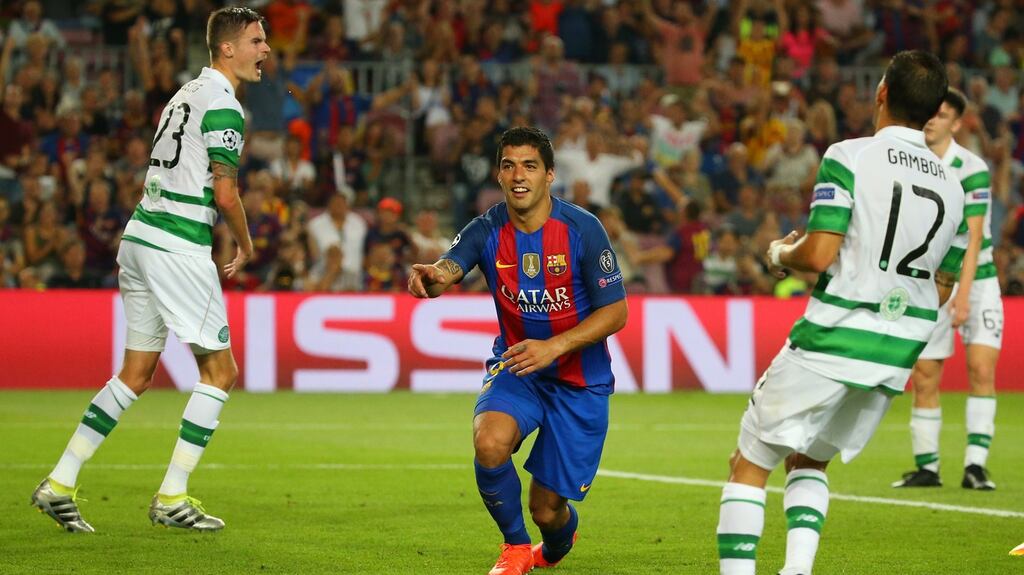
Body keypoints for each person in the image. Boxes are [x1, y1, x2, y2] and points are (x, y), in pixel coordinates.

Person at [716, 50, 965, 575]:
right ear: (933, 109)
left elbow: (819, 254)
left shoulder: (849, 156)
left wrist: (779, 253)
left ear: (881, 92)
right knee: (810, 458)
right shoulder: (954, 185)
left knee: (750, 460)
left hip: (836, 335)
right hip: (897, 350)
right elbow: (943, 286)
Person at [30, 7, 269, 533]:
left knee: (135, 374)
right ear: (226, 48)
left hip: (138, 237)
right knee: (220, 372)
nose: (265, 50)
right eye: (256, 40)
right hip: (176, 245)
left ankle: (60, 482)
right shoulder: (225, 108)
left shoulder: (182, 95)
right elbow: (226, 193)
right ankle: (171, 496)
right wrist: (247, 244)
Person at [408, 127, 628, 575]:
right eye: (509, 165)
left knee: (547, 510)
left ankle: (555, 540)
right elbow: (449, 267)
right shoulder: (487, 227)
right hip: (519, 367)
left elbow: (617, 313)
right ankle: (514, 548)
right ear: (499, 175)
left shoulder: (583, 229)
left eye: (529, 165)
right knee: (489, 442)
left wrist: (556, 346)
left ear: (549, 175)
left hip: (579, 381)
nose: (518, 175)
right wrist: (432, 278)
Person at [892, 88, 1003, 491]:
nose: (931, 120)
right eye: (929, 113)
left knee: (981, 370)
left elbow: (973, 237)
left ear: (956, 123)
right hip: (928, 280)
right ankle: (928, 468)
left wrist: (962, 293)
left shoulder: (971, 168)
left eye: (941, 115)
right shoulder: (910, 164)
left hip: (976, 280)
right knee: (924, 375)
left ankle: (975, 466)